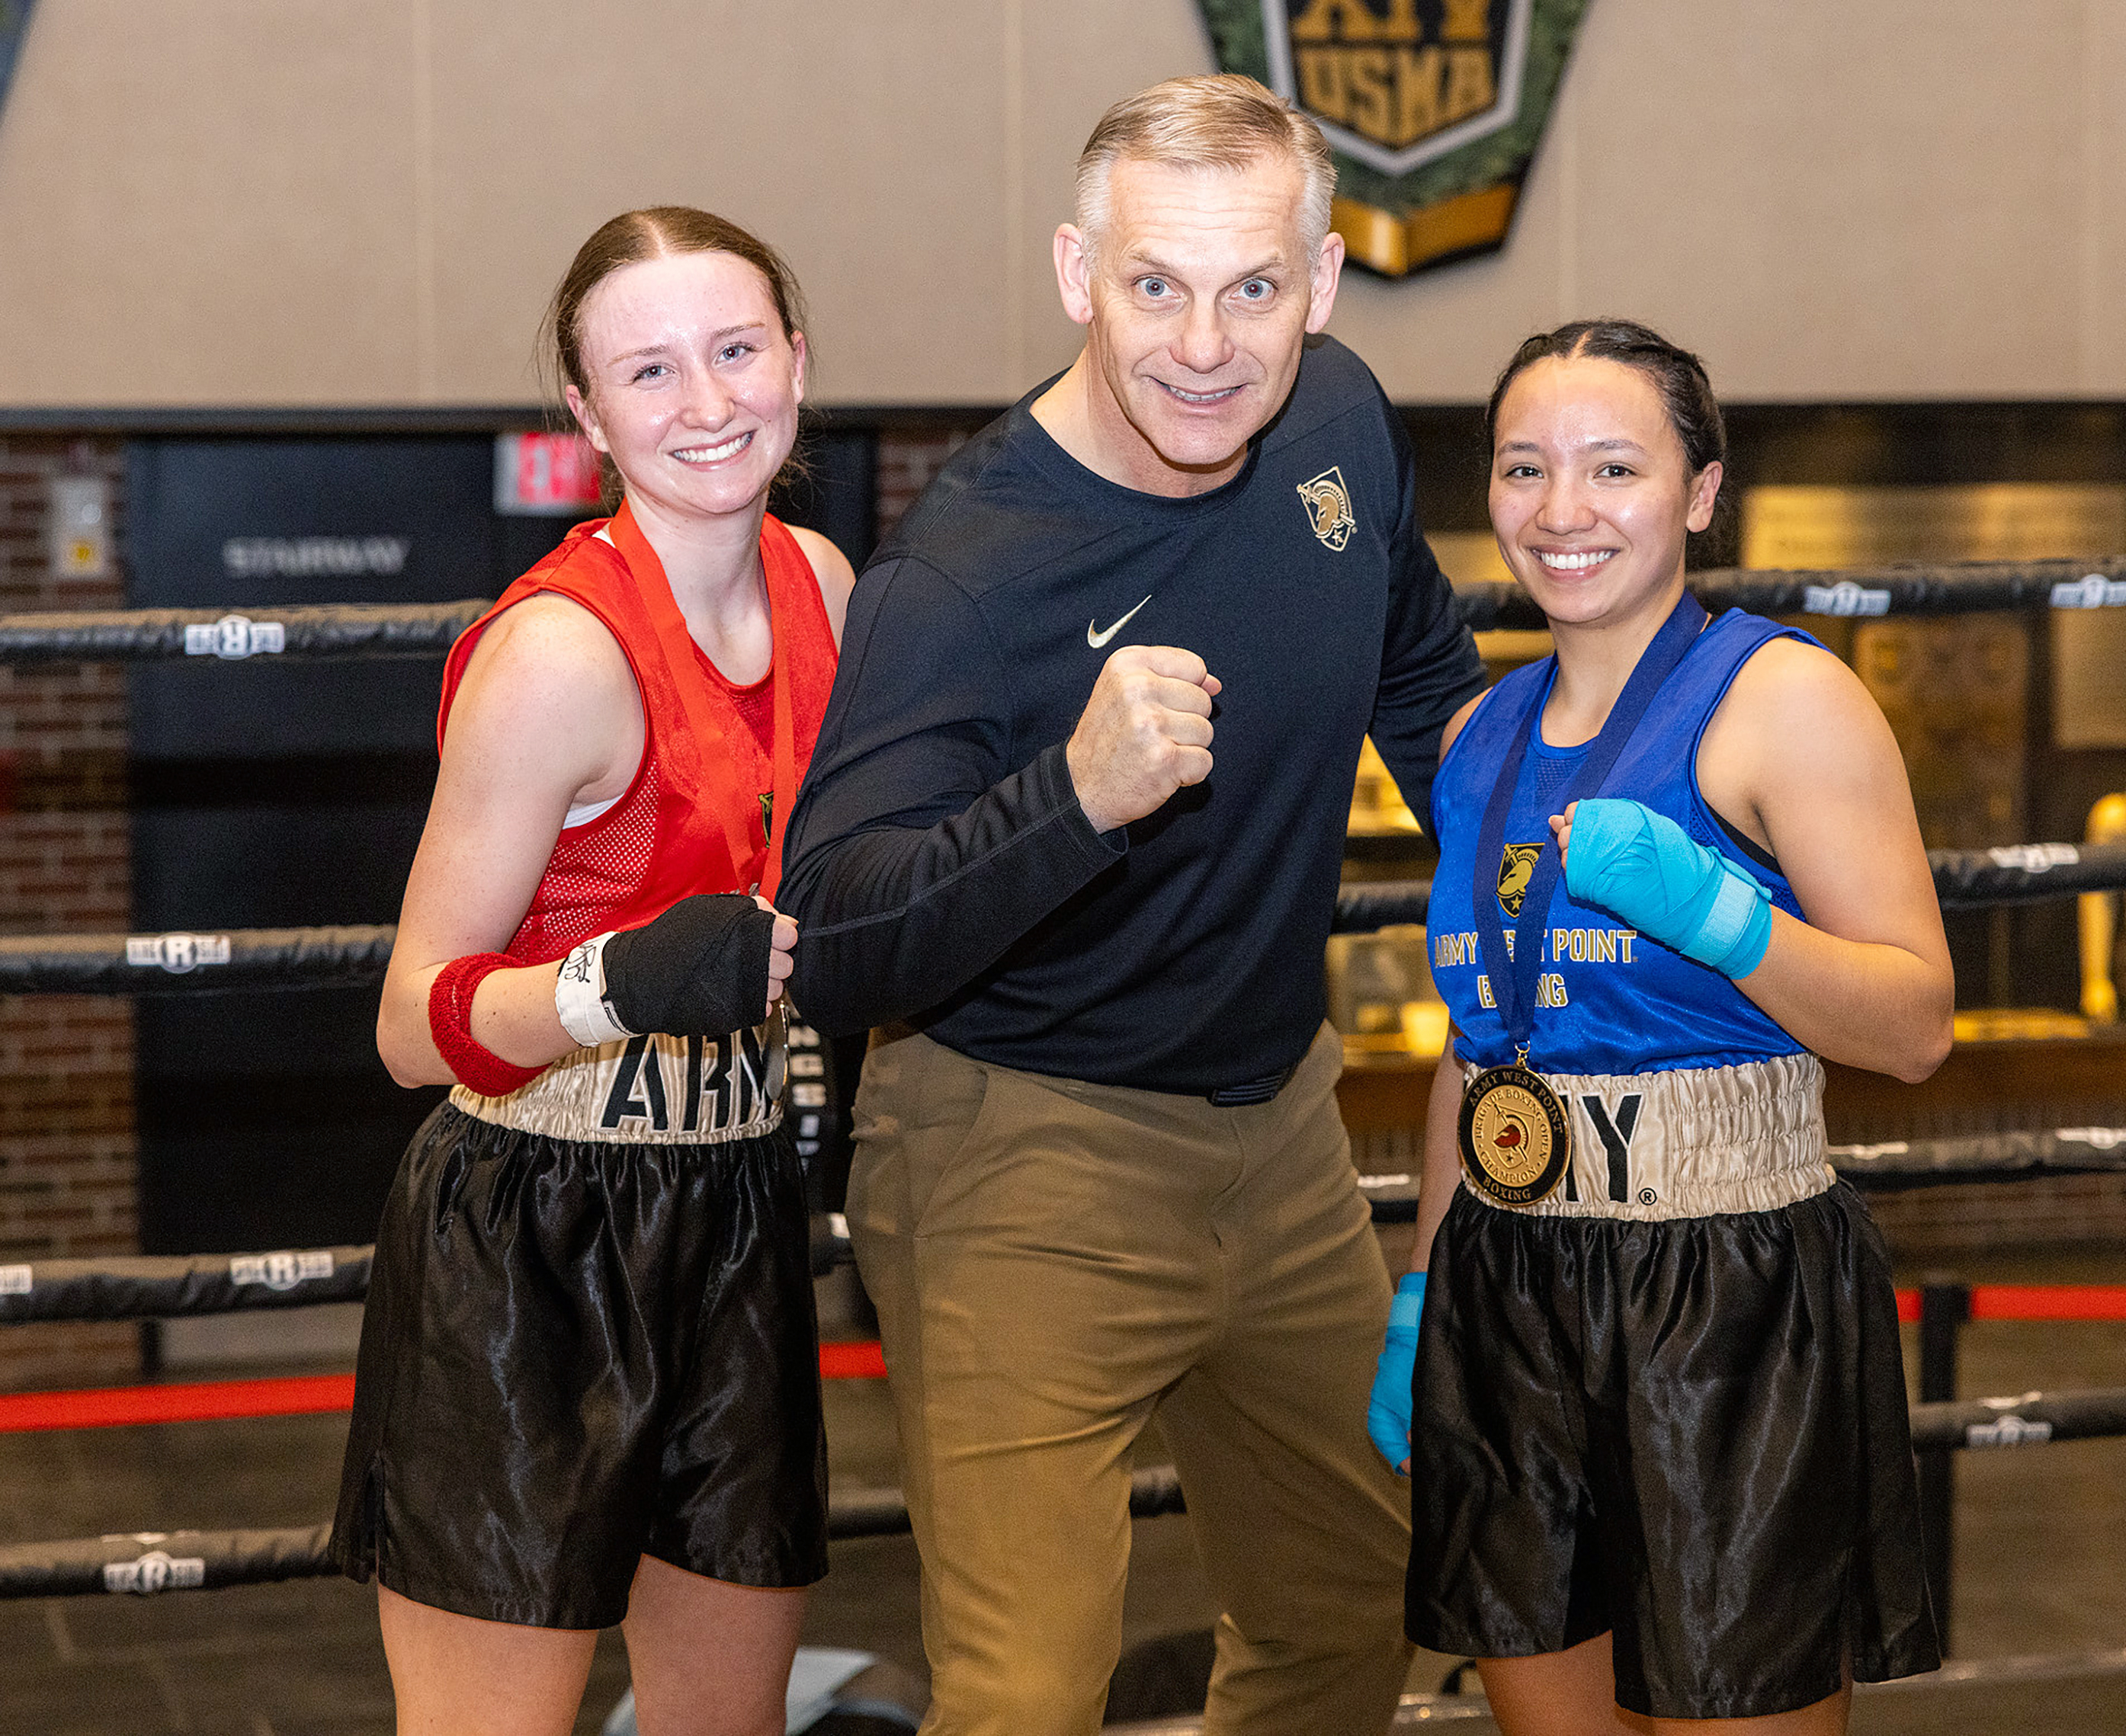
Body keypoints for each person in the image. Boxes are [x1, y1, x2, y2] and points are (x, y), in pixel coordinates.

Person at [775, 74, 1486, 1736]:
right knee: (1026, 1693)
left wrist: (1564, 865)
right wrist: (1067, 799)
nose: (1205, 343)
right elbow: (837, 931)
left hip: (1285, 1127)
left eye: (1254, 288)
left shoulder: (1339, 423)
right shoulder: (967, 567)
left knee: (1354, 1610)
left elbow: (1427, 681)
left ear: (1318, 285)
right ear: (1078, 273)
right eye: (1157, 284)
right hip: (1021, 1147)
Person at [1372, 318, 1948, 1734]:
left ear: (1698, 491)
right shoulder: (1476, 739)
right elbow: (1474, 1046)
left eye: (1613, 466)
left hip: (1728, 1289)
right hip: (1509, 1286)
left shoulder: (1782, 699)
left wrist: (1724, 916)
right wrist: (1425, 1287)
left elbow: (1917, 1022)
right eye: (1525, 468)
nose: (1562, 510)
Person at [331, 207, 856, 1736]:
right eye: (649, 368)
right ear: (585, 413)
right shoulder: (557, 656)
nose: (706, 402)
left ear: (797, 360)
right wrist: (610, 985)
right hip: (531, 1237)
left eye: (738, 349)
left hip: (741, 1198)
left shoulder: (822, 581)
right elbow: (409, 1023)